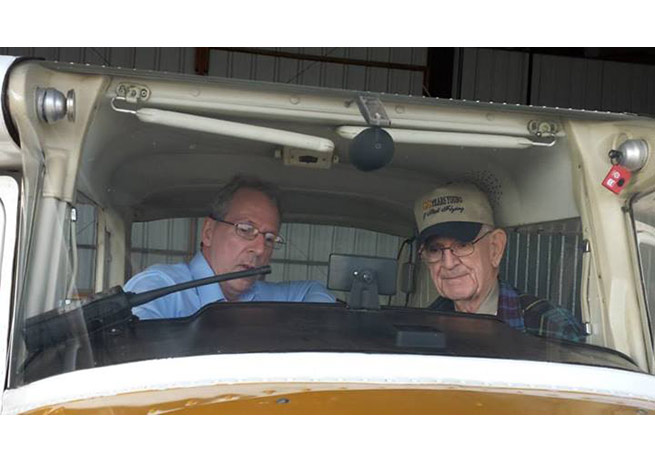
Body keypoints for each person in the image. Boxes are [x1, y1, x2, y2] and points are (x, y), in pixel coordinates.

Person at [125, 175, 335, 319]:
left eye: (270, 238)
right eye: (245, 229)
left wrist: (308, 327)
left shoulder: (263, 297)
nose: (260, 249)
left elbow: (312, 290)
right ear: (208, 232)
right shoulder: (160, 288)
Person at [414, 182, 586, 342]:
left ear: (495, 248)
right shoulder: (420, 329)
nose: (449, 263)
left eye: (463, 245)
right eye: (434, 250)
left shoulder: (549, 327)